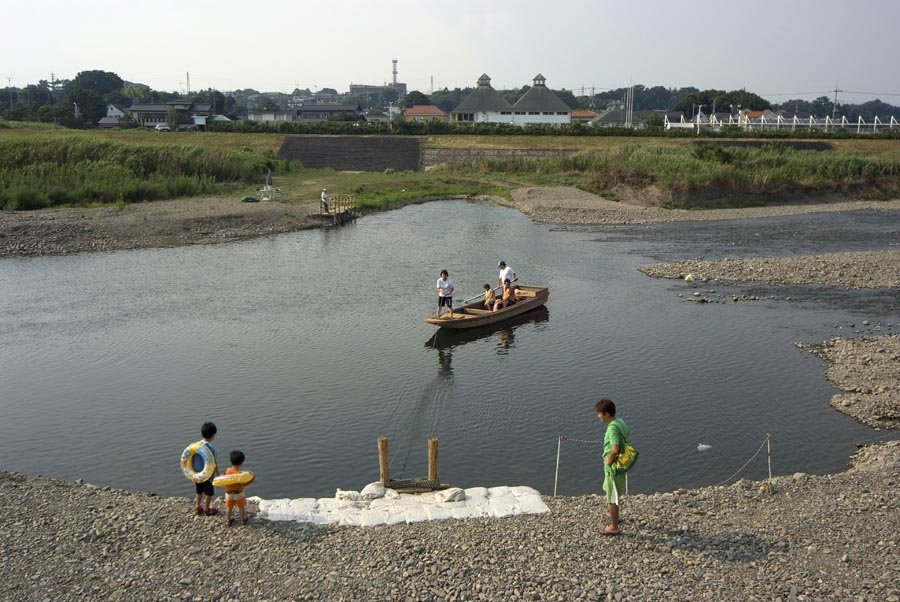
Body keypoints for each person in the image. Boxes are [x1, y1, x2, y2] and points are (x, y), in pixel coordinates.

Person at [596, 399, 629, 535]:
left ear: (607, 414)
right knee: (613, 493)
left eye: (599, 413)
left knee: (612, 496)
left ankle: (614, 527)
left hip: (613, 468)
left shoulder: (612, 428)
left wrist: (608, 461)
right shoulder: (619, 422)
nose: (598, 416)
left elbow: (614, 449)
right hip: (620, 466)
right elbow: (627, 434)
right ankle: (614, 516)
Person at [190, 422, 220, 516]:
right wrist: (218, 474)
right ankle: (207, 509)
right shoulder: (211, 448)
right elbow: (214, 463)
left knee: (199, 490)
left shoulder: (195, 446)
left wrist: (192, 471)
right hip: (208, 475)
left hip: (197, 473)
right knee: (209, 492)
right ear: (212, 435)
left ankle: (198, 507)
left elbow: (190, 458)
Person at [224, 450, 255, 527]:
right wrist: (252, 479)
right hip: (238, 493)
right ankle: (243, 519)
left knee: (229, 507)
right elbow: (244, 484)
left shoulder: (227, 470)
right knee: (241, 507)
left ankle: (228, 521)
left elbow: (224, 478)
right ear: (242, 462)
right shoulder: (239, 475)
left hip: (228, 493)